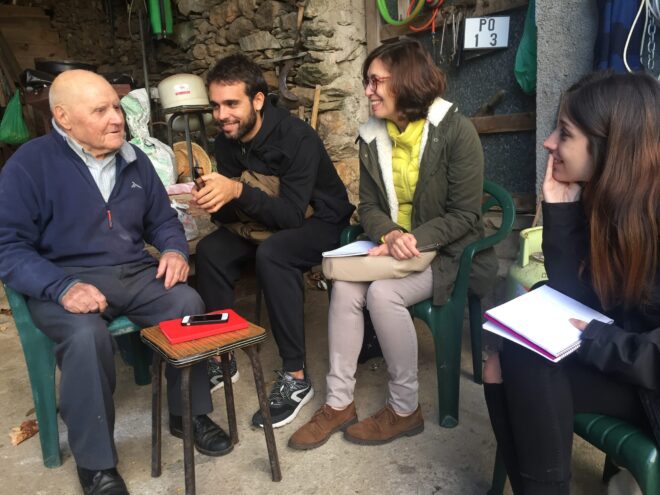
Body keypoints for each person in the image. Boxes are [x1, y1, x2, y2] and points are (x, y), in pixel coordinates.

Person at [0, 70, 232, 495]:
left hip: (132, 272)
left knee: (186, 305)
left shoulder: (133, 158)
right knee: (85, 336)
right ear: (64, 118)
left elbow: (162, 220)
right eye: (100, 111)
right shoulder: (30, 165)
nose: (116, 118)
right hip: (63, 281)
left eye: (116, 107)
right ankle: (97, 463)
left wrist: (175, 250)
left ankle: (189, 414)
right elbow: (8, 246)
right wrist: (61, 287)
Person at [289, 38, 497, 449]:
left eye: (375, 81)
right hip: (392, 249)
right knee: (344, 286)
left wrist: (414, 238)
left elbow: (465, 215)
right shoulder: (372, 136)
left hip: (447, 253)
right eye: (367, 82)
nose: (368, 91)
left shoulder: (456, 131)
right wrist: (390, 233)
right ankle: (338, 403)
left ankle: (405, 410)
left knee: (382, 295)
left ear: (405, 81)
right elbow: (367, 205)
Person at [483, 71, 660, 494]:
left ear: (609, 145)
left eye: (564, 133)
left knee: (520, 362)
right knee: (507, 355)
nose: (548, 143)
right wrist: (560, 211)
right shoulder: (609, 203)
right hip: (624, 361)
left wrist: (596, 339)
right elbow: (576, 300)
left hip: (649, 385)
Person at [193, 54, 355, 428]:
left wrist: (236, 190)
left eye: (231, 104)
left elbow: (292, 216)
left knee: (274, 253)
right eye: (215, 106)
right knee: (210, 251)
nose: (222, 115)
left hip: (322, 219)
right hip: (263, 219)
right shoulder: (227, 142)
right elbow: (238, 211)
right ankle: (222, 355)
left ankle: (296, 378)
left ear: (258, 100)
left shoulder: (296, 138)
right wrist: (212, 201)